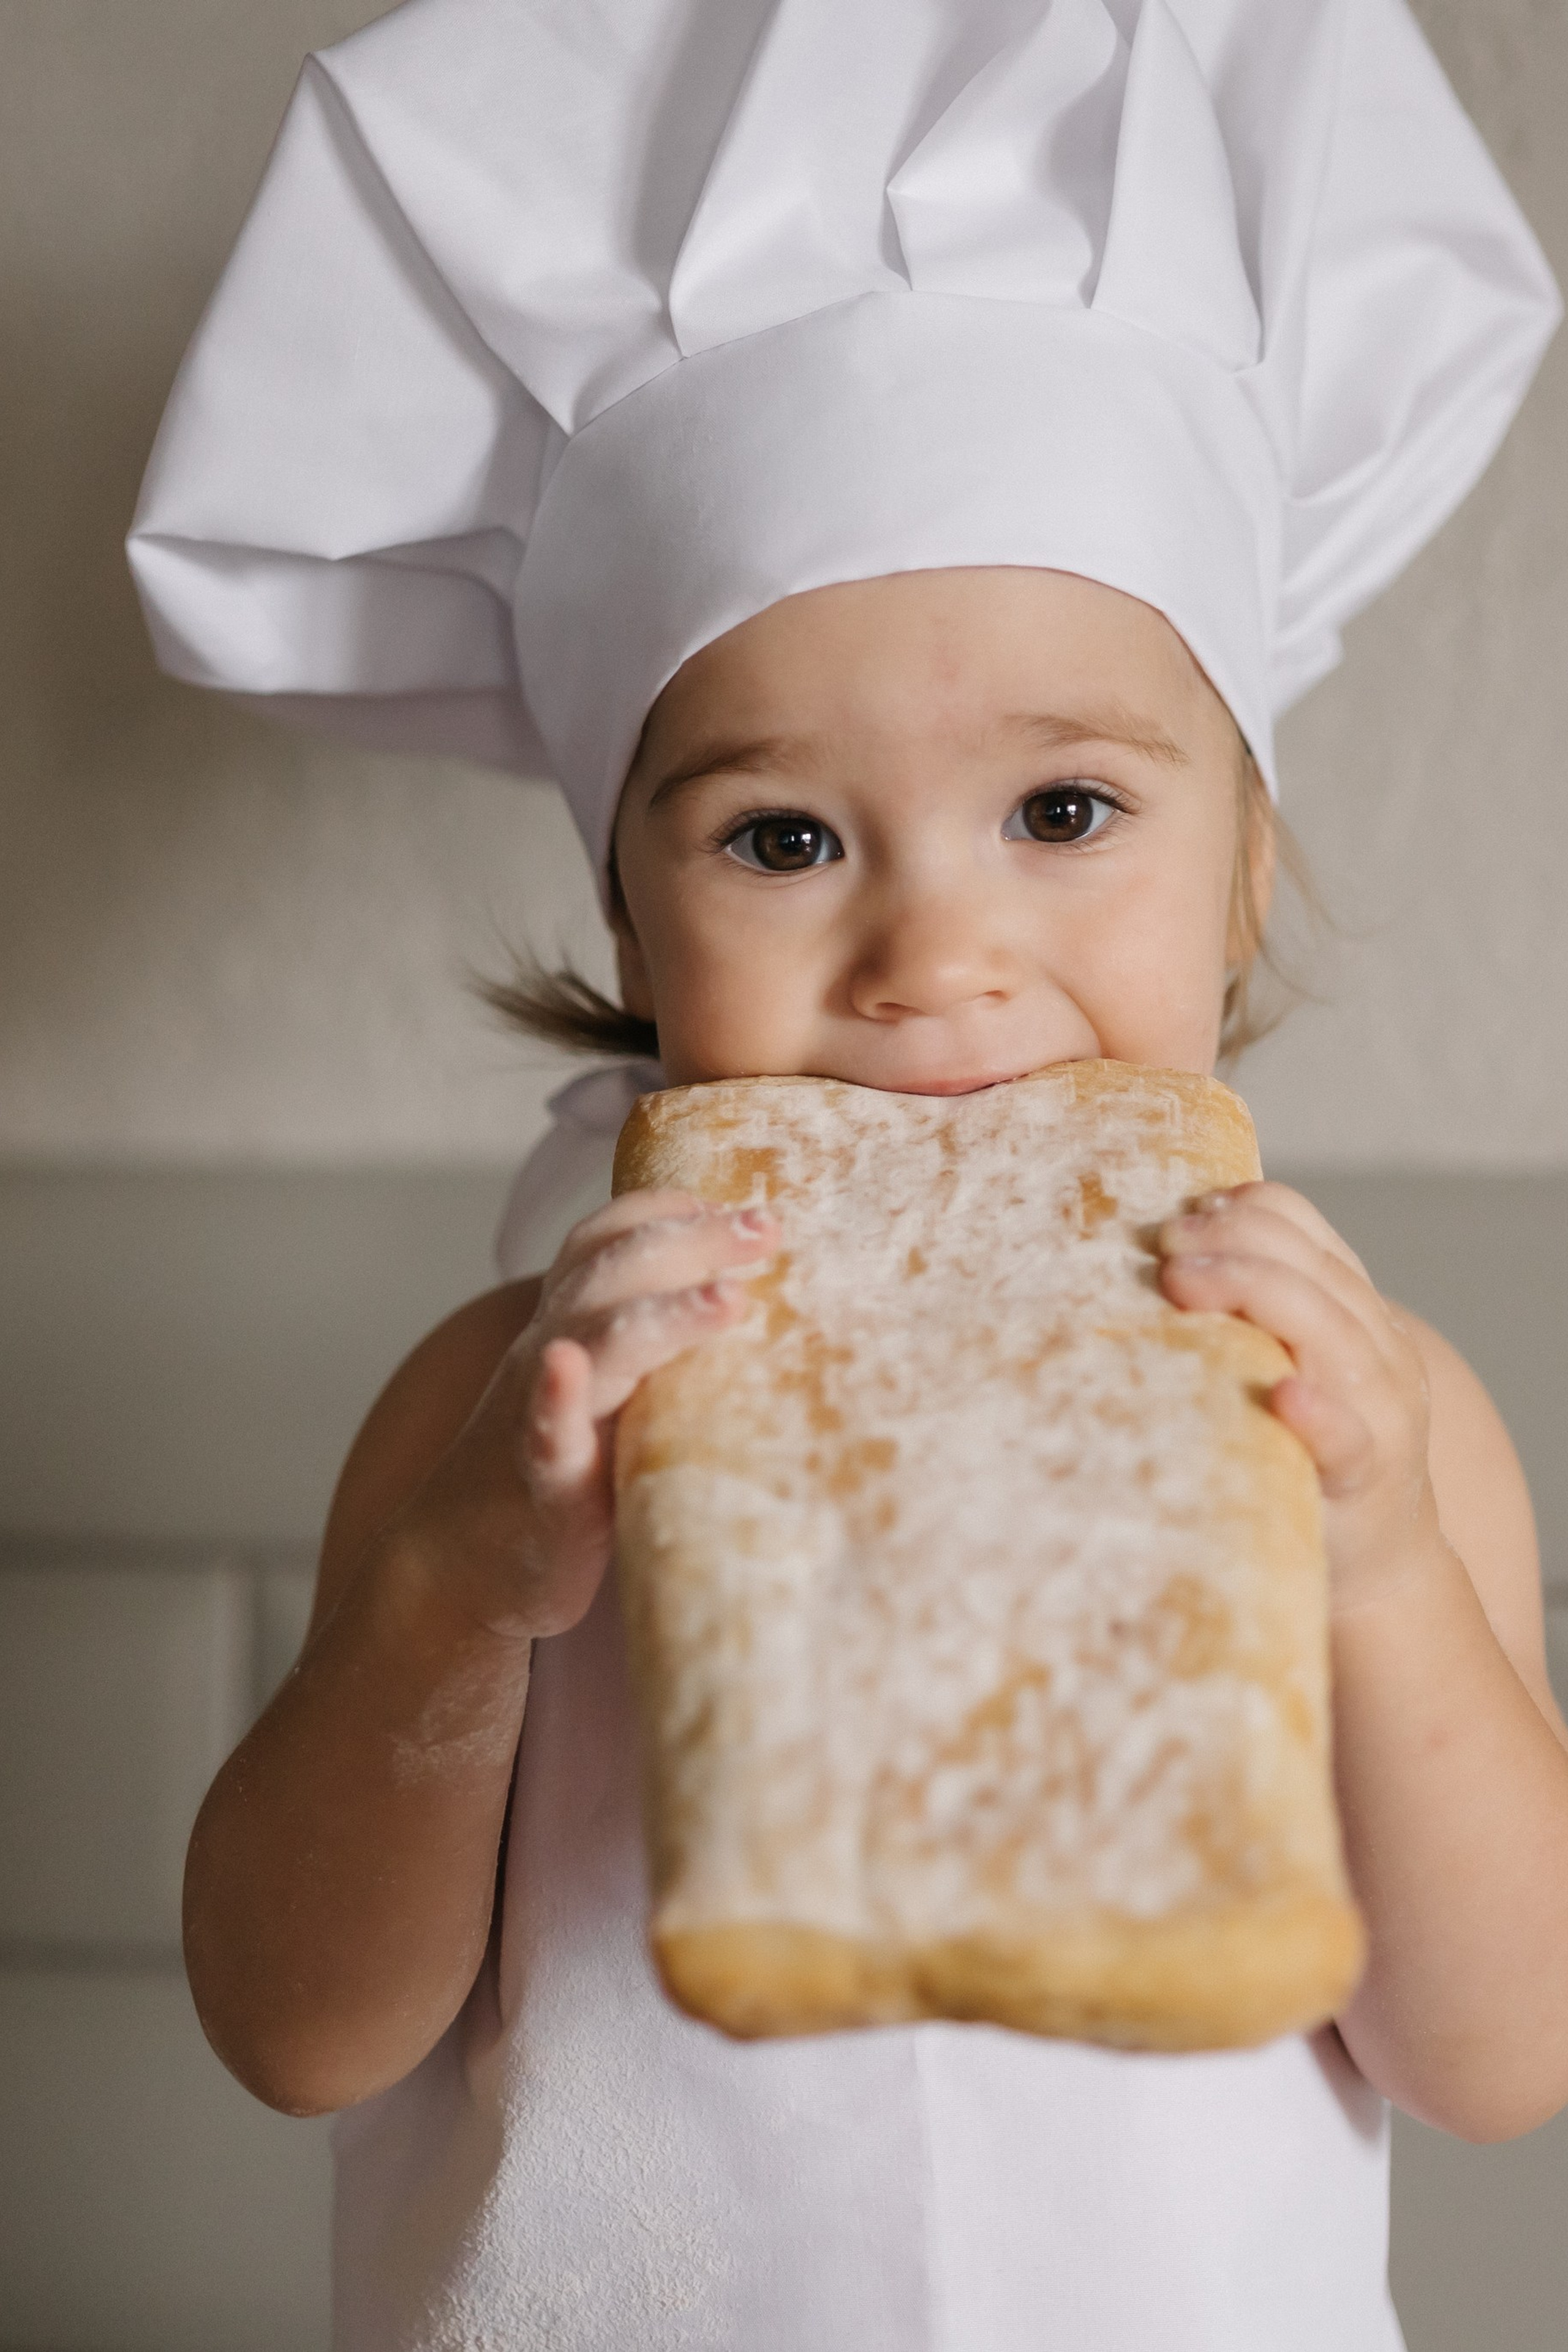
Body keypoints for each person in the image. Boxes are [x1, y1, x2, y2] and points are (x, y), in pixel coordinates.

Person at [129, 1, 1568, 2344]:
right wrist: (461, 1602)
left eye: (1067, 813)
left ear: (1241, 867)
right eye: (782, 838)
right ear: (629, 913)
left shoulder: (1366, 1409)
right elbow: (299, 2029)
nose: (933, 957)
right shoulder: (504, 1413)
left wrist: (1383, 1565)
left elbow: (1500, 2057)